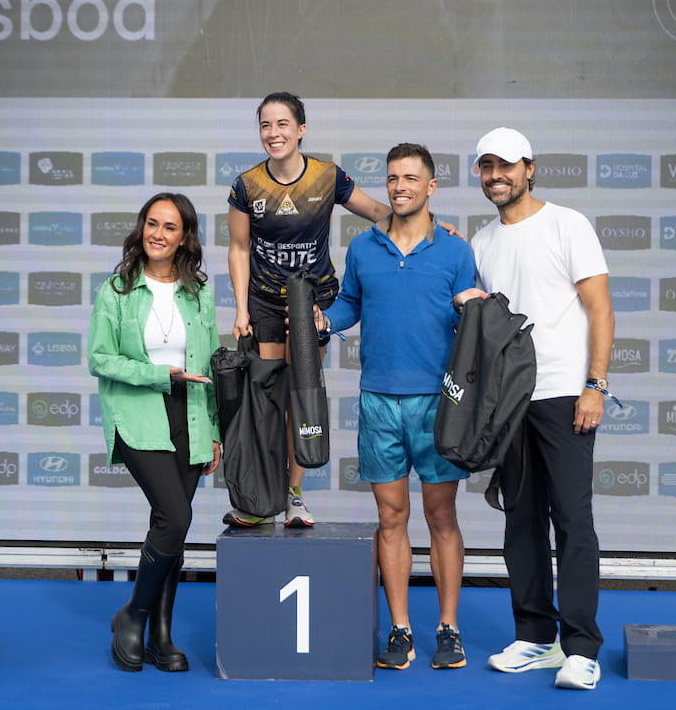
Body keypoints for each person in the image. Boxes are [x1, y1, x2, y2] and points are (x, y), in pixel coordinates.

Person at [455, 127, 615, 690]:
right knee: (521, 522)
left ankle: (581, 648)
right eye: (485, 168)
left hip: (566, 395)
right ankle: (536, 639)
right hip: (508, 405)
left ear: (529, 167)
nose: (495, 176)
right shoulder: (480, 243)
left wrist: (595, 385)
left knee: (573, 521)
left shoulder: (567, 224)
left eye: (505, 166)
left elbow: (601, 311)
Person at [313, 143, 476, 670]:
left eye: (411, 178)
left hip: (439, 403)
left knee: (441, 515)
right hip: (379, 400)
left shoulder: (456, 250)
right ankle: (401, 631)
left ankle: (448, 629)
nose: (399, 186)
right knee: (390, 517)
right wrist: (324, 321)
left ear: (431, 187)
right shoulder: (363, 248)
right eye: (392, 178)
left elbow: (472, 325)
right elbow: (349, 306)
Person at [225, 91, 395, 527]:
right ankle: (259, 498)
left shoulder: (326, 176)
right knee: (267, 401)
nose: (274, 133)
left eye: (283, 124)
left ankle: (294, 495)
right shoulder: (246, 185)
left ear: (301, 129)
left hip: (311, 303)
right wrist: (242, 309)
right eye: (266, 125)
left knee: (300, 400)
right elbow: (240, 247)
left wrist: (428, 223)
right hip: (264, 301)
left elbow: (378, 211)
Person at [87, 192, 222, 673]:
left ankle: (161, 636)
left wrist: (215, 431)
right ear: (141, 228)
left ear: (184, 236)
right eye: (151, 224)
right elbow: (99, 359)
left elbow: (208, 364)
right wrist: (160, 376)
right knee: (176, 515)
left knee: (171, 529)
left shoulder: (199, 292)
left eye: (169, 227)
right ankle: (133, 616)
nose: (158, 234)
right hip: (138, 413)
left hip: (190, 415)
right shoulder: (116, 289)